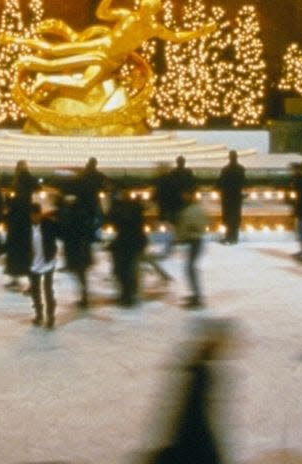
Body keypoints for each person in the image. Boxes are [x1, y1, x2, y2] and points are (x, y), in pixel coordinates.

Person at [146, 320, 235, 464]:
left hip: (189, 437)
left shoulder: (198, 369)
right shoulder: (201, 372)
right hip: (192, 438)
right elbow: (191, 410)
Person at [108, 192, 148, 308]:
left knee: (123, 270)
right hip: (135, 242)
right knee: (131, 270)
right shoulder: (136, 209)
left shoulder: (119, 210)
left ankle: (126, 295)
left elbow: (110, 219)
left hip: (124, 243)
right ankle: (131, 294)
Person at [27, 201, 60, 329]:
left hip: (48, 262)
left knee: (48, 290)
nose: (35, 217)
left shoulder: (49, 224)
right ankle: (39, 314)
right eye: (33, 215)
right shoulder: (26, 227)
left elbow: (62, 232)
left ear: (40, 213)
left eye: (37, 214)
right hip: (33, 264)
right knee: (35, 291)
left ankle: (50, 316)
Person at [176, 187, 208, 309]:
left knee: (190, 269)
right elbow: (205, 223)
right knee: (191, 269)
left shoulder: (190, 210)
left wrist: (180, 237)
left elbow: (184, 226)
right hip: (197, 240)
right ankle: (196, 295)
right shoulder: (197, 208)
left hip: (194, 241)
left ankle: (197, 297)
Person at [217, 151, 246, 244]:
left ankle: (228, 236)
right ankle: (234, 237)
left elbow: (220, 183)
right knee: (235, 217)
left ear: (229, 157)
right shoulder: (241, 169)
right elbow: (244, 182)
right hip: (237, 196)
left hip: (227, 197)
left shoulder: (225, 169)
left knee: (228, 217)